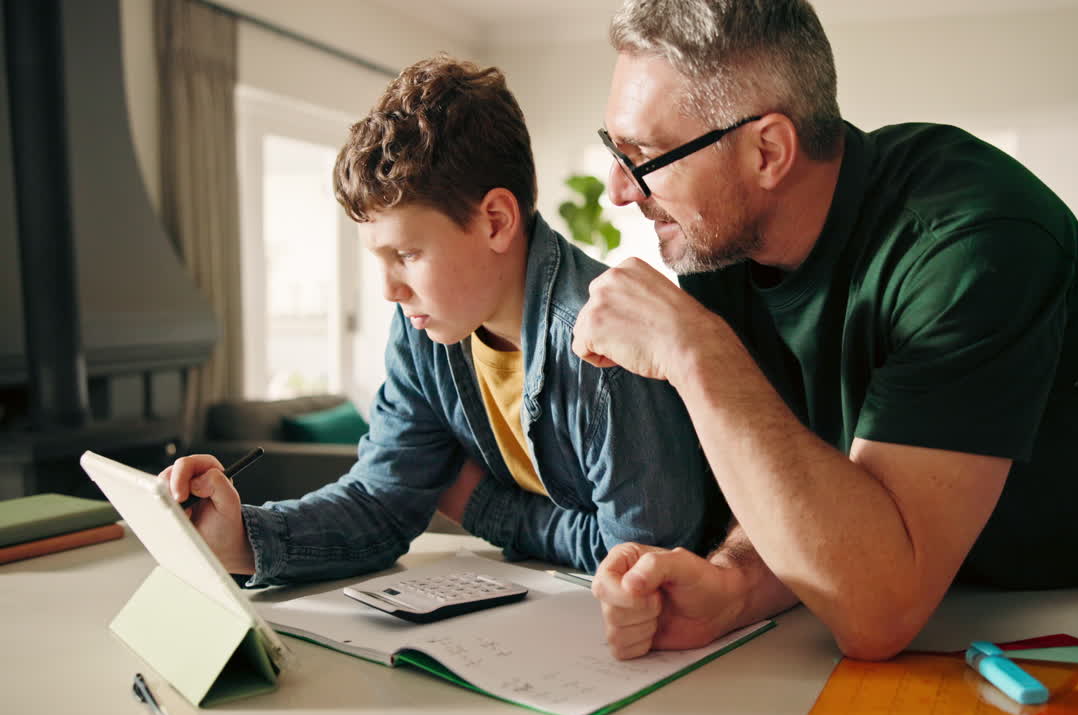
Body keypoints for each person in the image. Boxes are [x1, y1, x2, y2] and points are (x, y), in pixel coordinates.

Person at [572, 0, 1078, 661]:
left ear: (767, 152)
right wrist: (734, 584)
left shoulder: (971, 241)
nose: (619, 189)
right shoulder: (723, 252)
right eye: (614, 148)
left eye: (644, 155)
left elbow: (877, 614)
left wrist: (696, 353)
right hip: (963, 604)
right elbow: (807, 475)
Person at [163, 55, 719, 586]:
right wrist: (244, 537)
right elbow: (381, 500)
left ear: (495, 221)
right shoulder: (424, 328)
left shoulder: (611, 346)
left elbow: (642, 561)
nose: (389, 290)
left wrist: (482, 506)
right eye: (380, 259)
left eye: (407, 254)